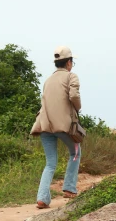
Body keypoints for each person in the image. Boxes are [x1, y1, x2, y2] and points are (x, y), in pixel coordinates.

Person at [31, 46, 81, 209]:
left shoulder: (48, 80)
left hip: (44, 125)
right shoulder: (71, 76)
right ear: (68, 63)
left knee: (50, 162)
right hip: (62, 126)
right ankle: (69, 188)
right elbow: (74, 96)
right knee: (75, 152)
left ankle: (42, 199)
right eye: (72, 61)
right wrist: (77, 107)